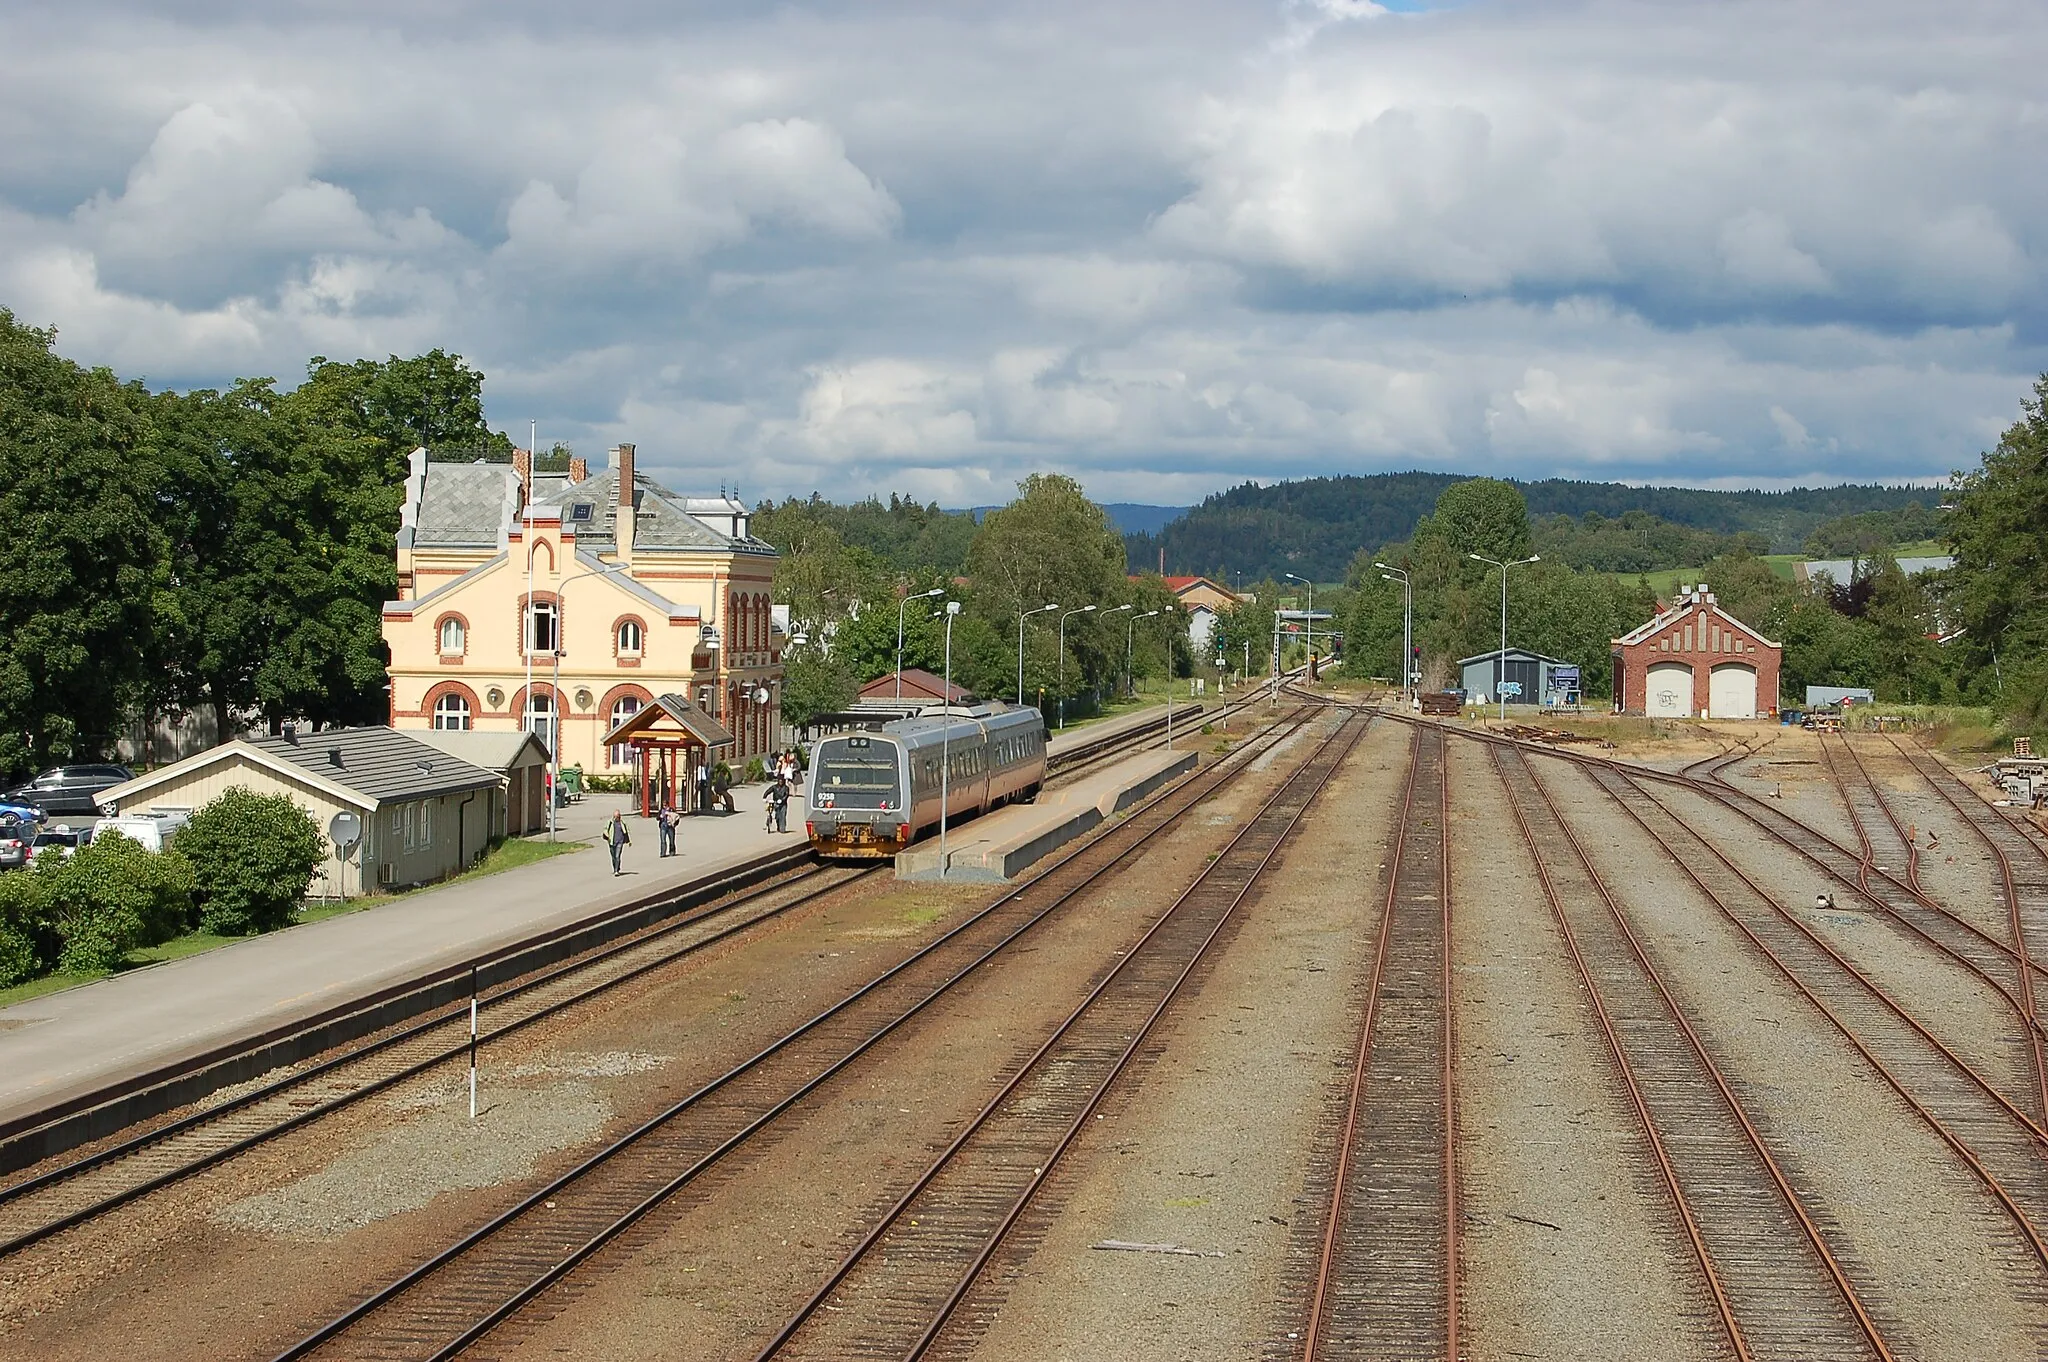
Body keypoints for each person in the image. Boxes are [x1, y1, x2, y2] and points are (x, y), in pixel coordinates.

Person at [606, 810, 632, 876]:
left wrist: (629, 841)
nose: (616, 818)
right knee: (613, 857)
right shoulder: (610, 823)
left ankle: (616, 870)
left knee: (617, 856)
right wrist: (607, 835)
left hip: (620, 842)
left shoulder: (622, 823)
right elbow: (605, 830)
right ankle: (616, 867)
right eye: (615, 816)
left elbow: (626, 832)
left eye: (617, 816)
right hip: (611, 842)